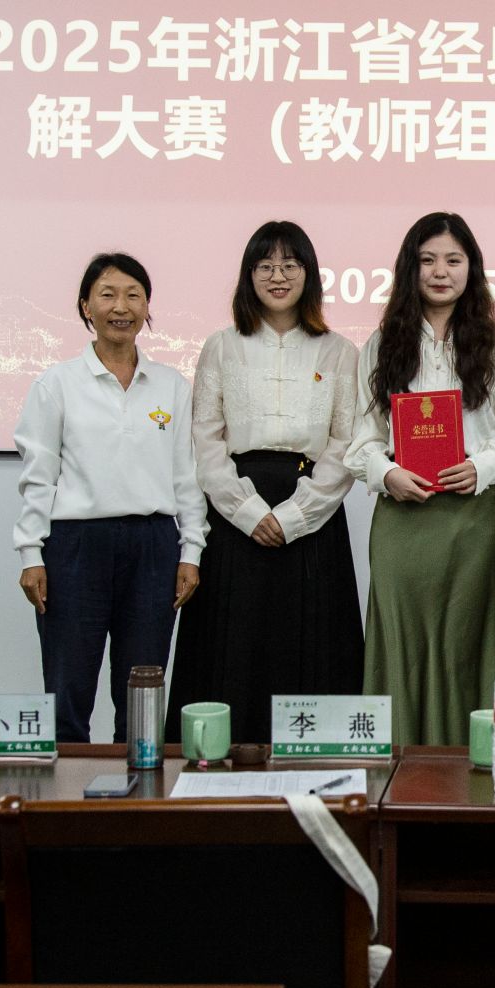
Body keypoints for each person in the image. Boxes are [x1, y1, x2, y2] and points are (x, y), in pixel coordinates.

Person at [168, 221, 362, 744]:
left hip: (313, 516)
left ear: (309, 275)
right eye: (266, 266)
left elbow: (346, 444)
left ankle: (313, 765)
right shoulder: (221, 346)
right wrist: (250, 512)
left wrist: (295, 515)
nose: (278, 277)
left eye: (290, 265)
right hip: (236, 517)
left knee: (313, 648)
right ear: (248, 275)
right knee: (232, 648)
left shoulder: (340, 351)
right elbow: (206, 441)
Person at [347, 213, 495, 745]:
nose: (440, 272)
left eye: (453, 260)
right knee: (399, 646)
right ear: (411, 269)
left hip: (468, 518)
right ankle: (398, 769)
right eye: (427, 260)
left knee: (463, 644)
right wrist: (387, 473)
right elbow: (360, 440)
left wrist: (483, 467)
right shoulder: (383, 344)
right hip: (401, 520)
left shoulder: (493, 343)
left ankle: (467, 767)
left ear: (472, 268)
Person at [13, 252, 206, 743]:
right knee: (68, 690)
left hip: (153, 547)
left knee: (142, 694)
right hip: (75, 547)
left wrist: (191, 551)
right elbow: (38, 477)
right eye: (107, 295)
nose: (121, 307)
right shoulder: (56, 384)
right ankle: (66, 790)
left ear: (147, 307)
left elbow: (186, 477)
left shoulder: (171, 386)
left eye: (133, 295)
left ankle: (138, 788)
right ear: (86, 306)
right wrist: (31, 554)